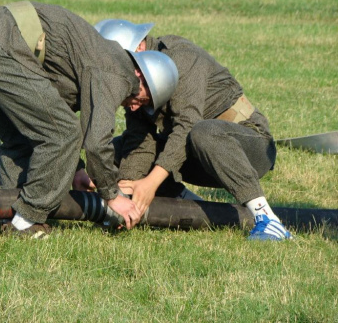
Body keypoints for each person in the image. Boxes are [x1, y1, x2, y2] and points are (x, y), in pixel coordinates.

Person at [0, 1, 174, 236]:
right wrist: (112, 196)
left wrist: (77, 170)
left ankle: (9, 215)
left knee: (19, 135)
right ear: (139, 74)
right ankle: (27, 220)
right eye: (143, 99)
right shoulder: (117, 72)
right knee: (65, 134)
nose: (134, 107)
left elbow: (49, 112)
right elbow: (95, 143)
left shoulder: (99, 57)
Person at [93, 19, 293, 241]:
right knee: (118, 148)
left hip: (247, 148)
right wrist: (128, 192)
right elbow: (139, 139)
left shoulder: (182, 58)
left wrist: (150, 183)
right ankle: (188, 205)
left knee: (202, 132)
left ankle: (267, 218)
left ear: (138, 48)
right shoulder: (135, 79)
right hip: (197, 152)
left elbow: (187, 127)